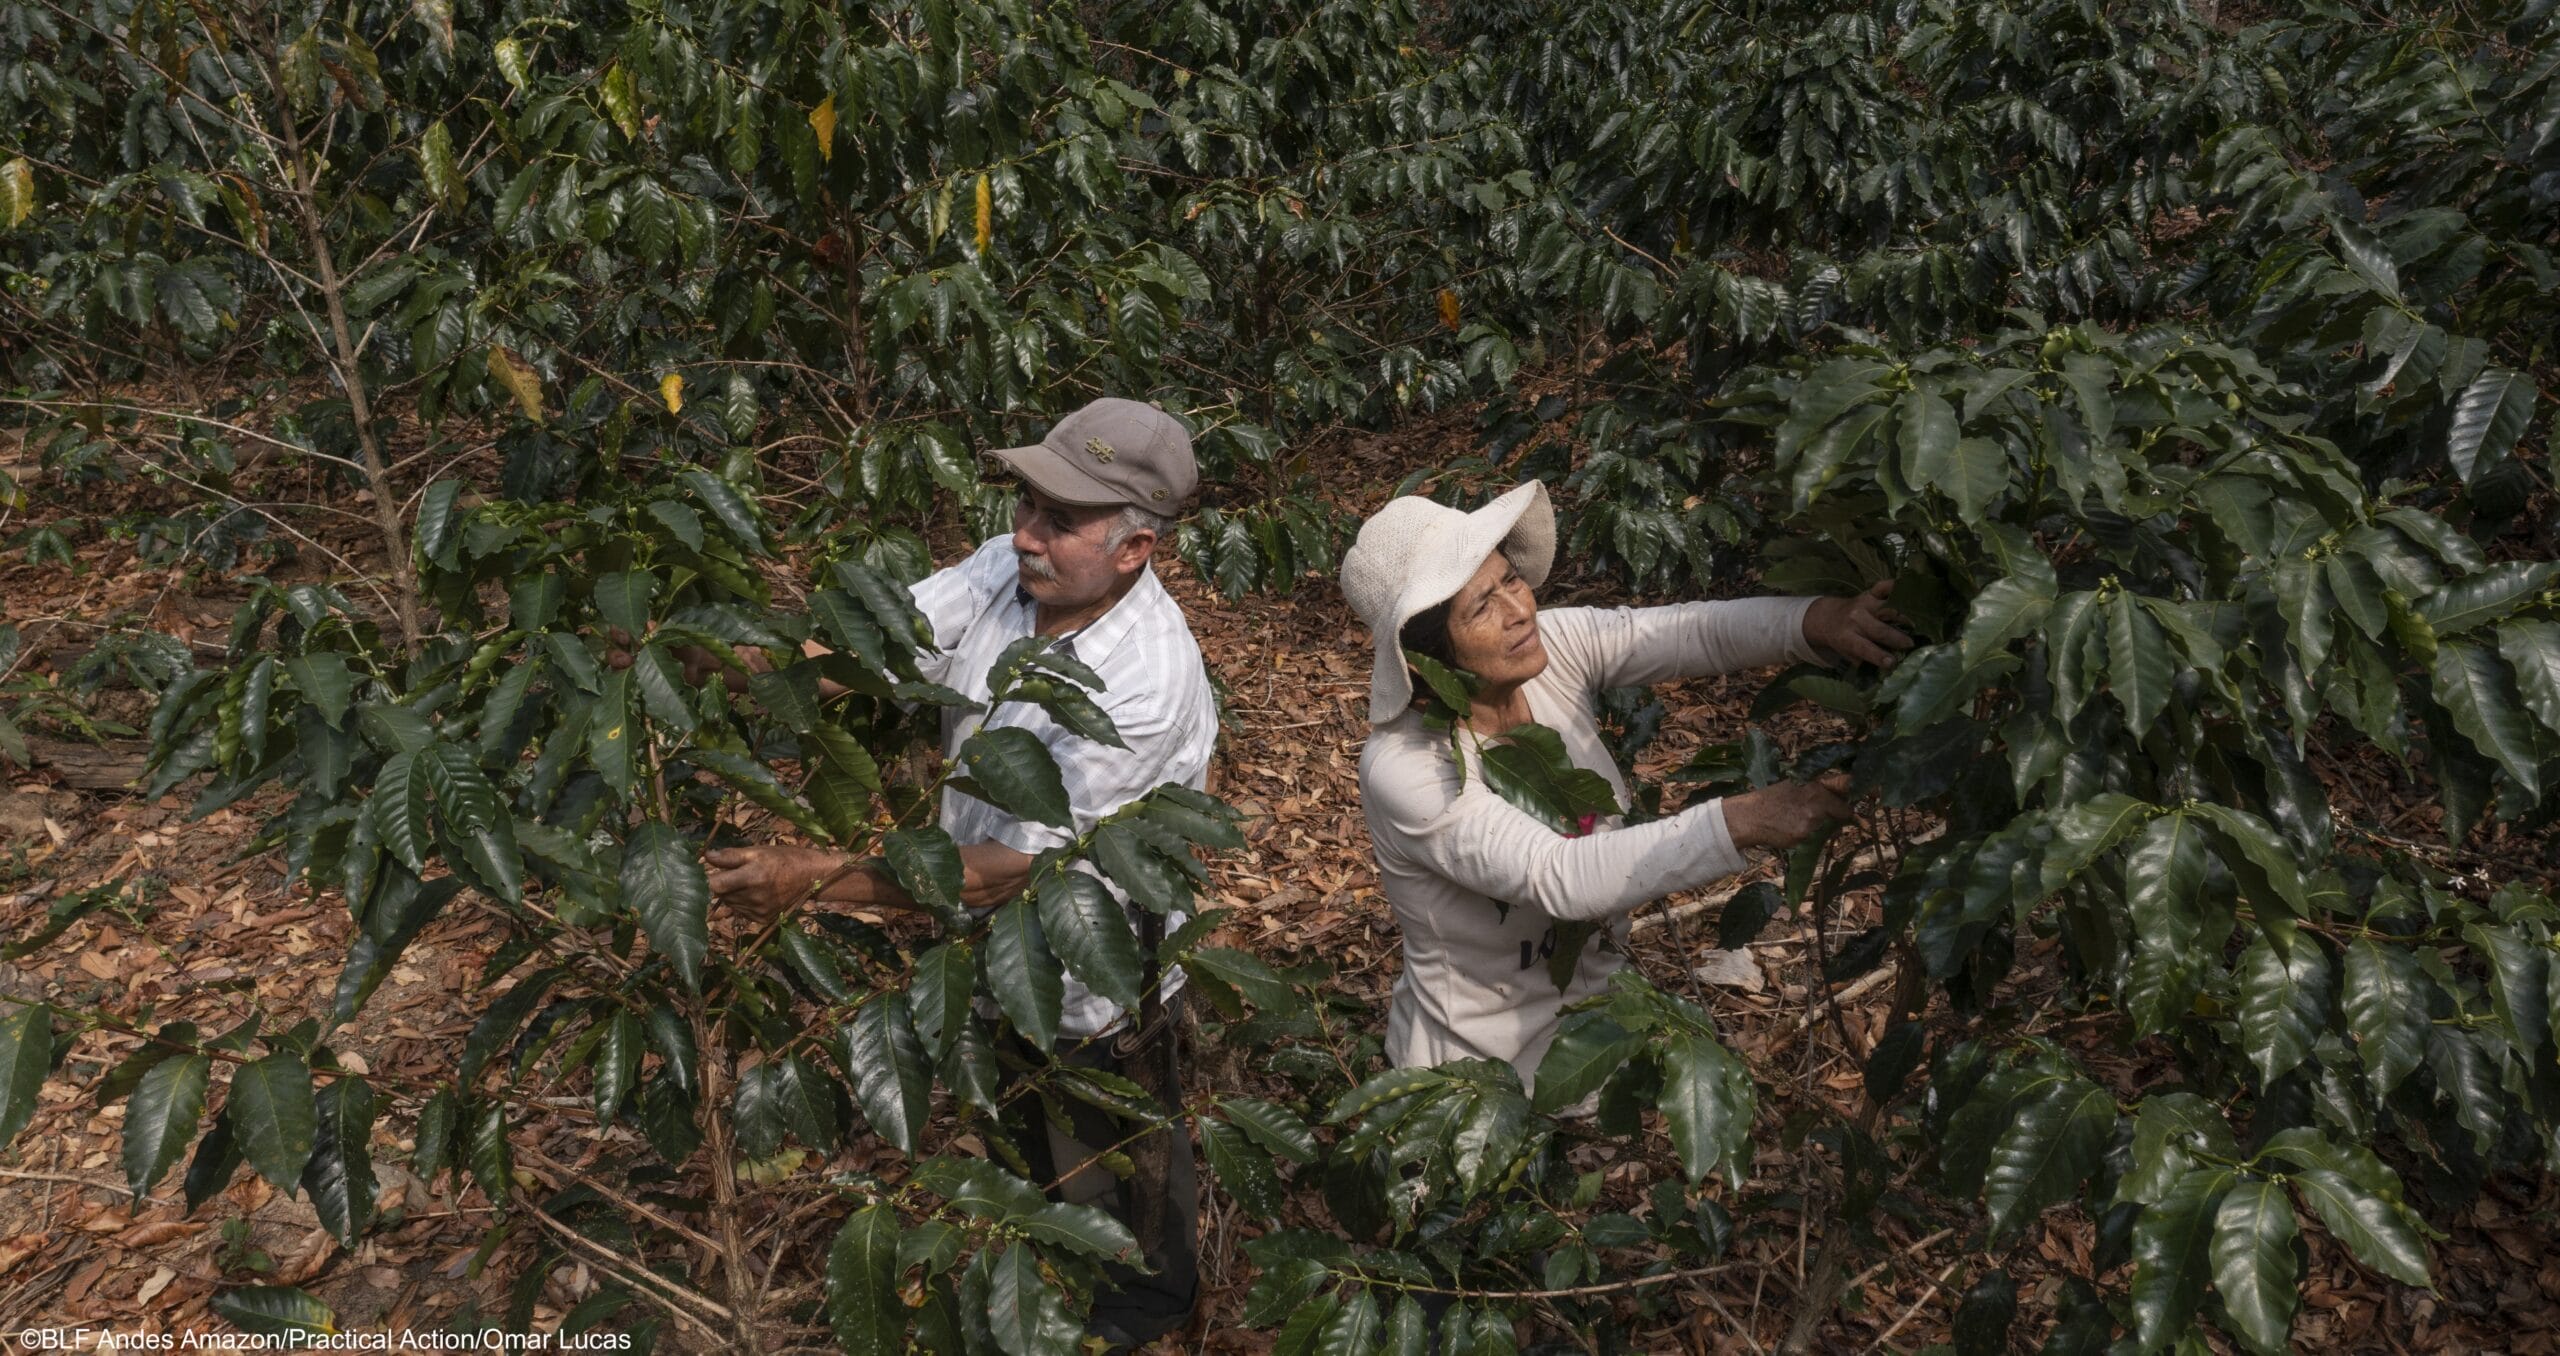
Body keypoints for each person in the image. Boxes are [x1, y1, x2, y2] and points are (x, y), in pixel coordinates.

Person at [702, 397, 1215, 1351]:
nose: (1026, 534)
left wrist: (810, 878)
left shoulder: (1146, 679)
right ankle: (1047, 1291)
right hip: (985, 951)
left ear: (1136, 548)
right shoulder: (1005, 567)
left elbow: (1010, 871)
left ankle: (1143, 1318)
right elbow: (866, 657)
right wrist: (711, 658)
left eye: (1059, 521)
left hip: (1093, 977)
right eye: (1026, 504)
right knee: (1028, 1154)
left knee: (1120, 1186)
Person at [1338, 481, 1909, 1091]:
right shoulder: (1409, 765)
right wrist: (1744, 819)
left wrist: (1822, 621)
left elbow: (1694, 633)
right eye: (1481, 607)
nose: (1519, 610)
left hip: (1597, 1042)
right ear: (1427, 654)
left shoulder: (1552, 646)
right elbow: (1559, 875)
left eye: (1510, 580)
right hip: (1475, 1082)